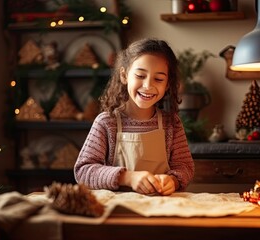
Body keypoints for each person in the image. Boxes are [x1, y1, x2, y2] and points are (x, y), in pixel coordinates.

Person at [74, 38, 194, 196]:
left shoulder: (171, 123)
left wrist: (173, 180)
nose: (148, 86)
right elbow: (83, 171)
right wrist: (127, 177)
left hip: (162, 208)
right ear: (124, 76)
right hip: (118, 212)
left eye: (158, 79)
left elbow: (184, 167)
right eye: (140, 75)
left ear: (167, 84)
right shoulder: (106, 122)